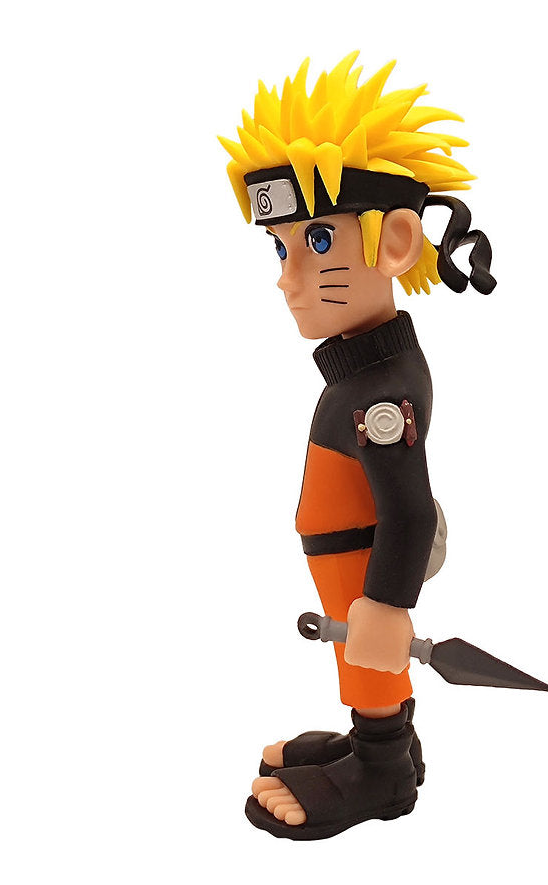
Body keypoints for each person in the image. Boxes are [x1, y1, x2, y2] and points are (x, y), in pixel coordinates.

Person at [219, 52, 495, 840]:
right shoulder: (366, 372)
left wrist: (387, 601)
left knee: (369, 651)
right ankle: (382, 740)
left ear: (396, 241)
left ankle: (381, 771)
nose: (289, 277)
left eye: (317, 240)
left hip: (363, 560)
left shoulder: (382, 395)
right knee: (359, 658)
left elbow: (409, 510)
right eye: (281, 248)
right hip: (343, 555)